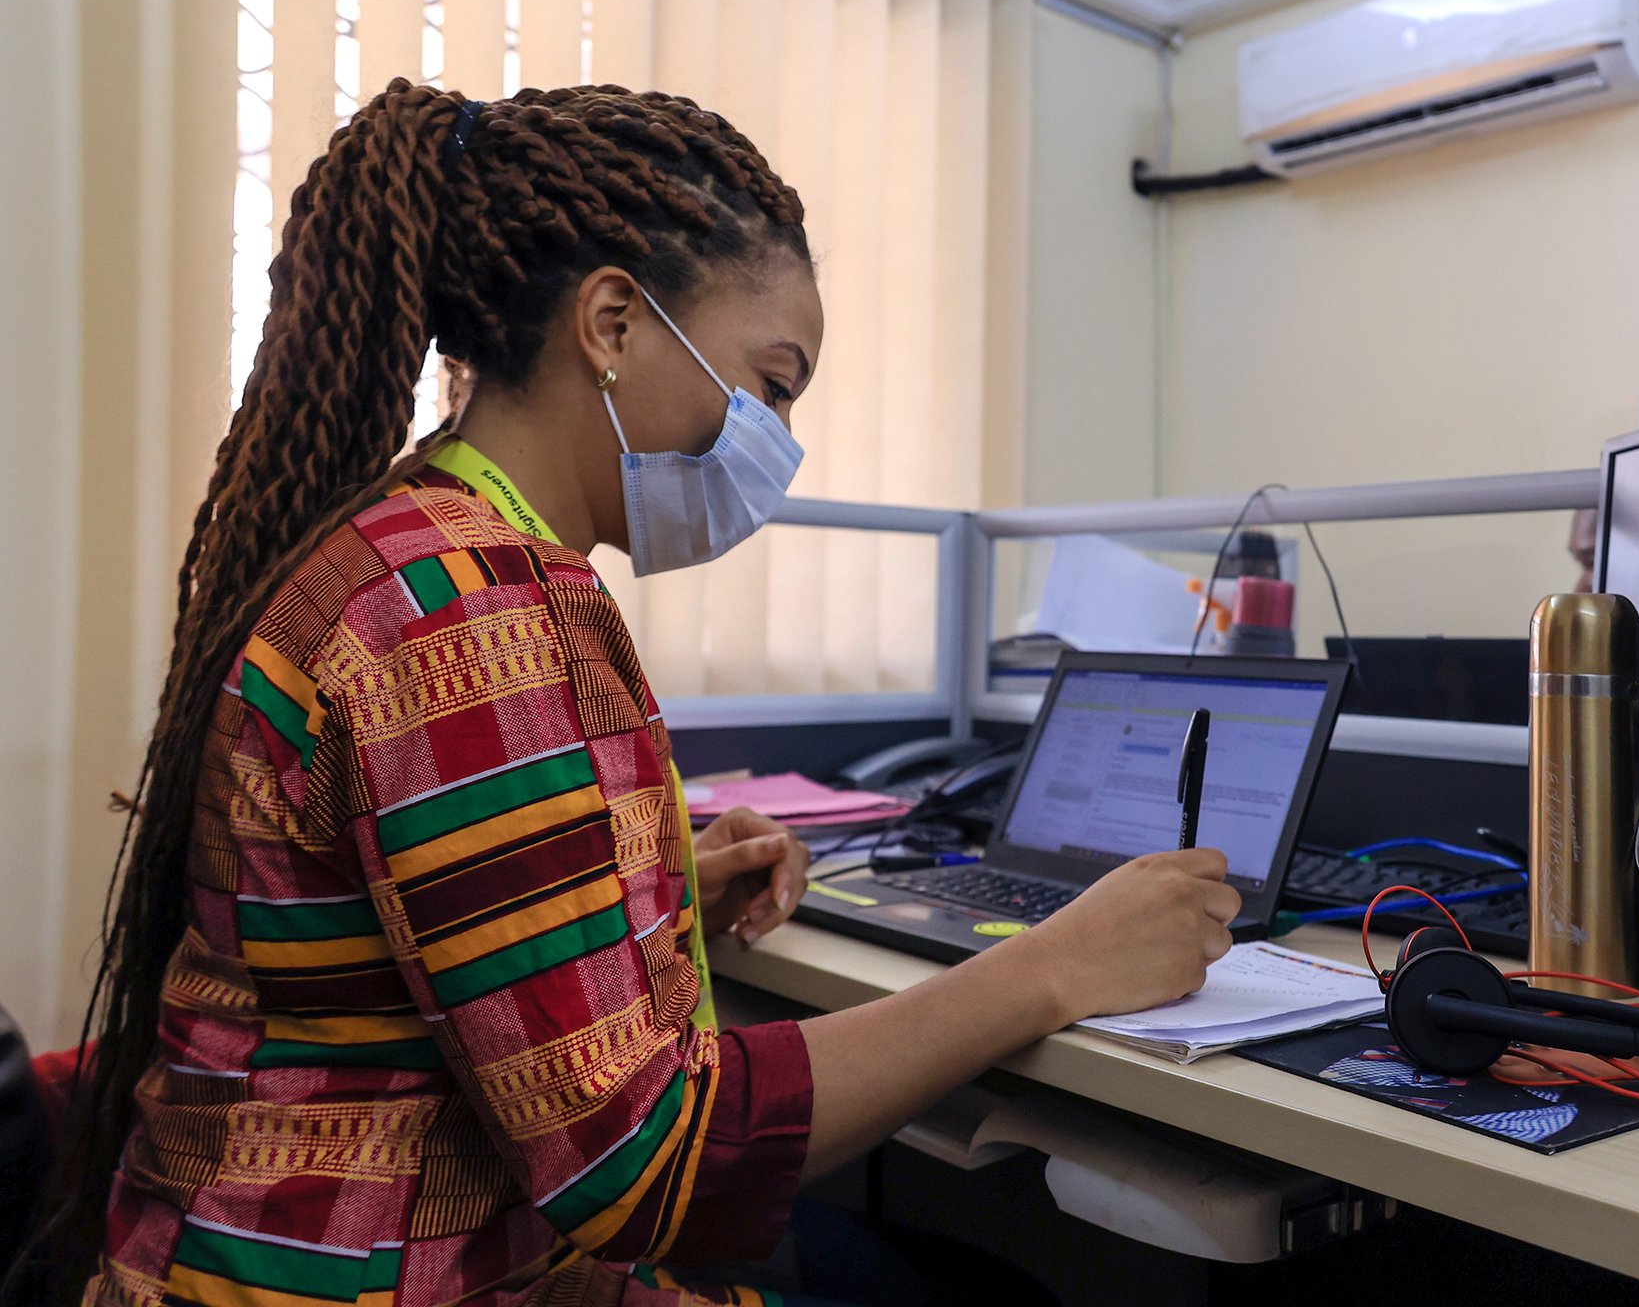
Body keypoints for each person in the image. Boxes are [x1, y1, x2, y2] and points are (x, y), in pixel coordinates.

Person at [12, 82, 1238, 1307]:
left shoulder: (420, 547)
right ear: (611, 322)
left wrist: (645, 891)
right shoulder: (469, 610)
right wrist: (1056, 963)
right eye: (772, 384)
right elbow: (645, 1166)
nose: (778, 439)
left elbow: (387, 934)